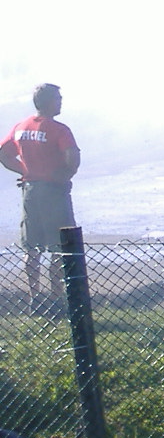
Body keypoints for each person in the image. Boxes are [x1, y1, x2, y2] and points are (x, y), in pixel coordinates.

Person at [0, 84, 80, 306]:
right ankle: (56, 295)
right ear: (48, 102)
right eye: (58, 98)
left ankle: (34, 295)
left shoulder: (20, 126)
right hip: (54, 192)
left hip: (30, 191)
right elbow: (72, 159)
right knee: (60, 245)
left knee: (32, 246)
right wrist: (64, 175)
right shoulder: (59, 130)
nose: (61, 101)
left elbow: (4, 155)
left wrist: (26, 171)